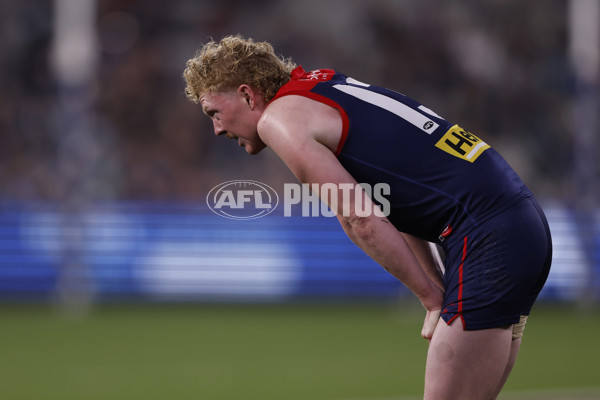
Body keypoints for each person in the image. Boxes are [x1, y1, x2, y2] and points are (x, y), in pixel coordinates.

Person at [183, 35, 552, 399]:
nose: (217, 129)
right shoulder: (322, 84)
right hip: (519, 224)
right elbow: (397, 201)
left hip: (488, 236)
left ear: (248, 95)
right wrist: (434, 284)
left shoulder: (279, 119)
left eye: (214, 113)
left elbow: (360, 218)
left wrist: (431, 299)